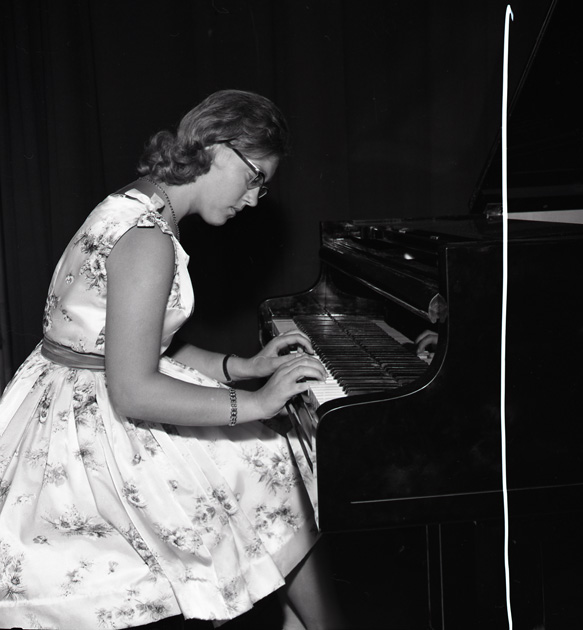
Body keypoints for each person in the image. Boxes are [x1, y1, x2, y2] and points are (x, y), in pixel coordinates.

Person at [0, 89, 348, 630]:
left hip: (70, 392)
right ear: (216, 147)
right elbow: (134, 389)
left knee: (265, 463)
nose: (254, 199)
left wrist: (241, 368)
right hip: (87, 425)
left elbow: (133, 345)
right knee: (267, 458)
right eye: (254, 178)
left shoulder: (136, 206)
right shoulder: (147, 238)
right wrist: (257, 403)